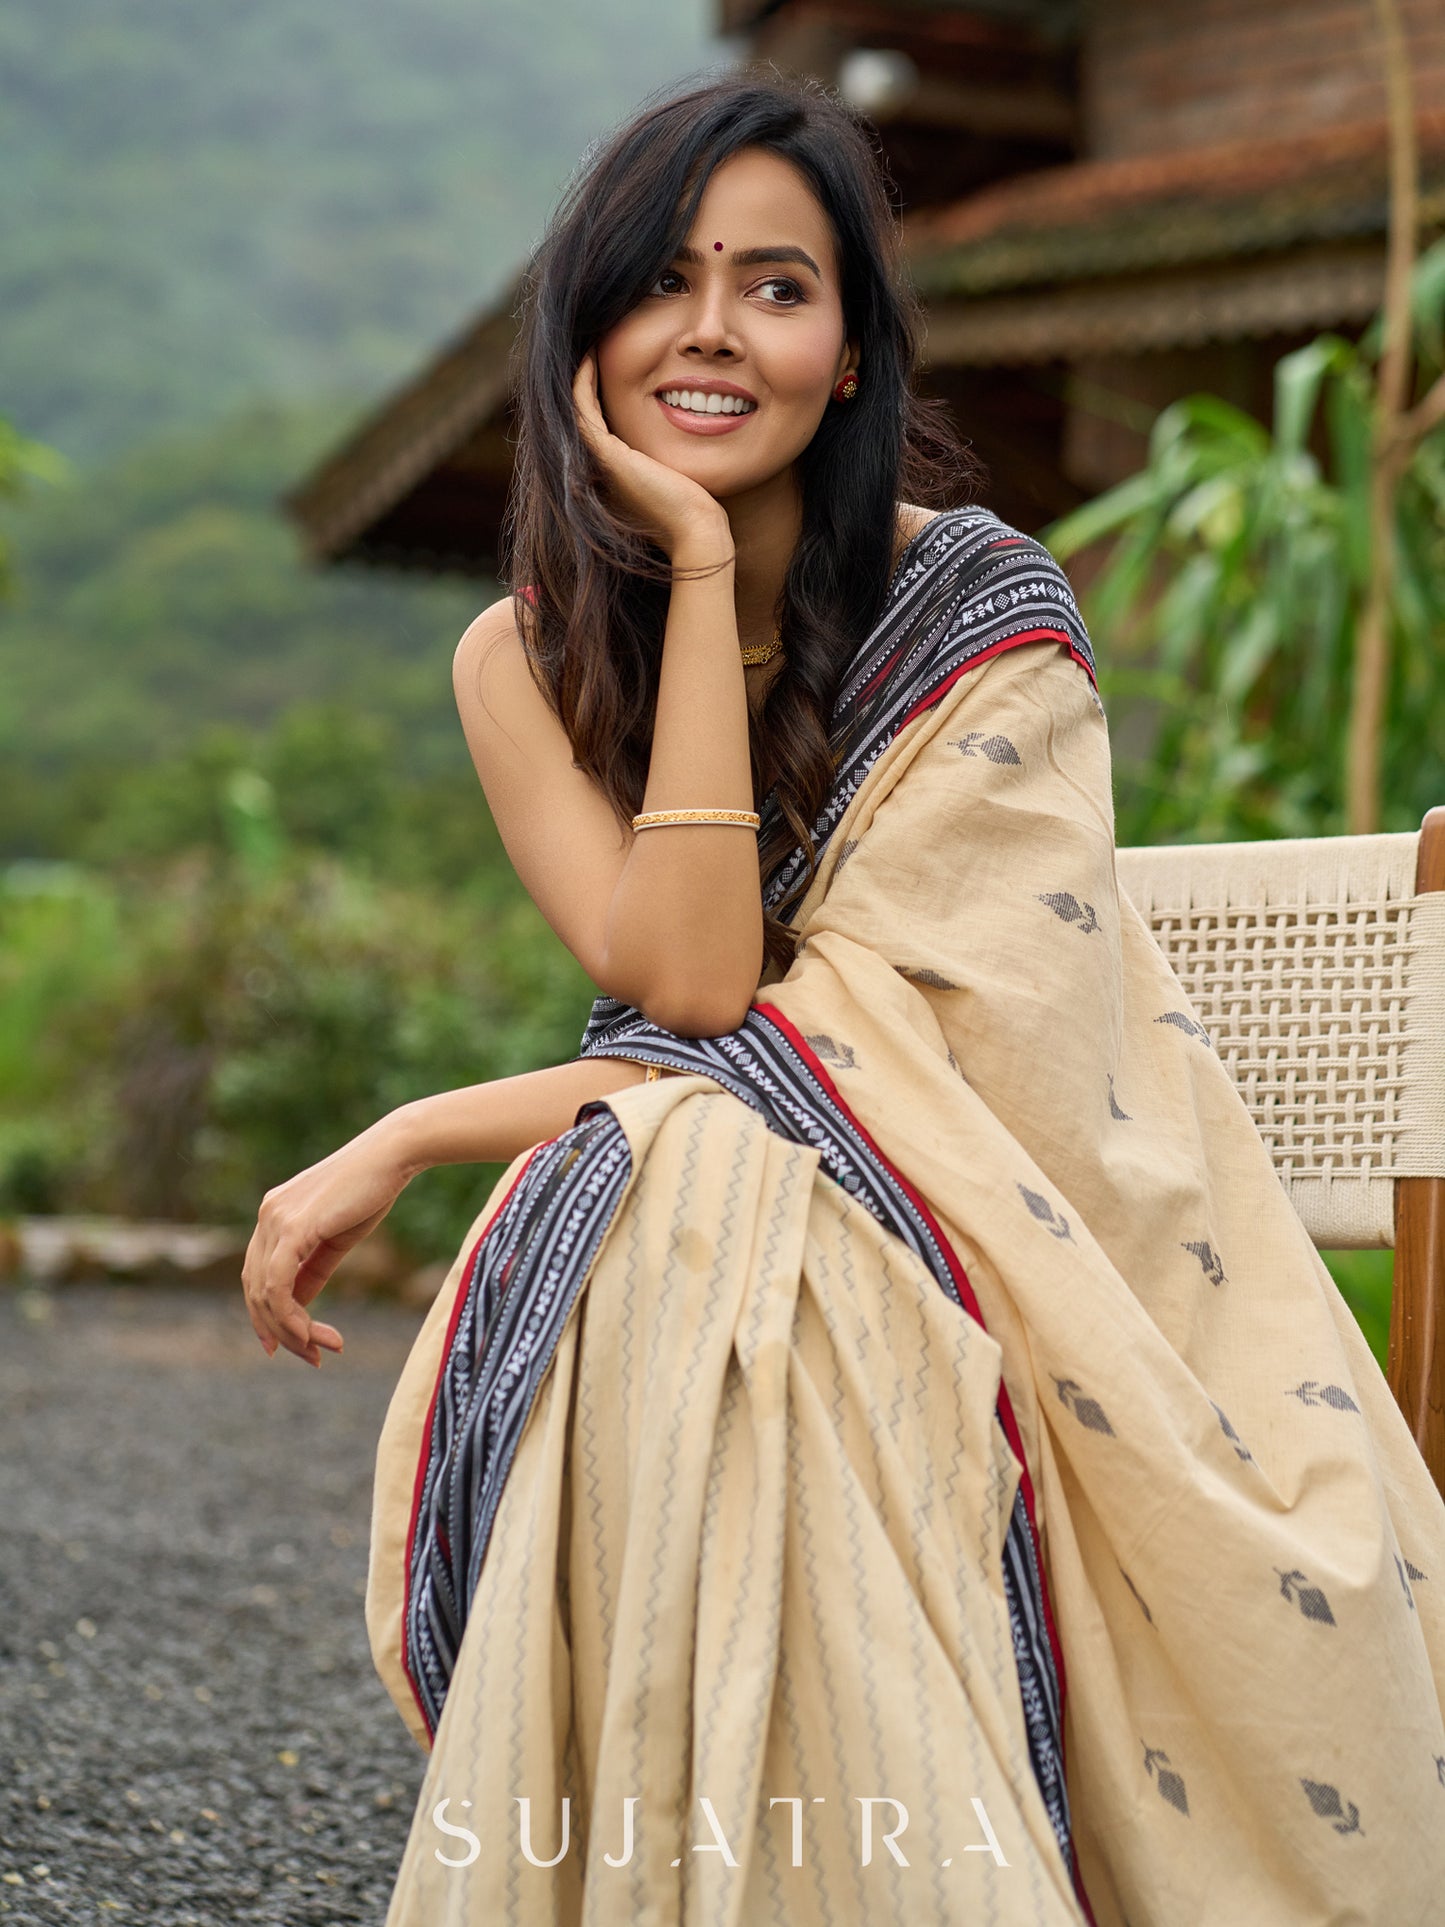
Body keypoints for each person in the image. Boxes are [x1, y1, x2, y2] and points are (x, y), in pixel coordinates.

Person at [241, 70, 1445, 1927]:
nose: (712, 330)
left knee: (714, 1222)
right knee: (717, 1213)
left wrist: (411, 1130)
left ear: (850, 353)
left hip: (1054, 1278)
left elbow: (810, 1040)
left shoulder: (981, 613)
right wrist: (693, 581)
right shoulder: (524, 662)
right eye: (662, 279)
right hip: (774, 1233)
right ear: (584, 330)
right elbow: (700, 1007)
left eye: (777, 287)